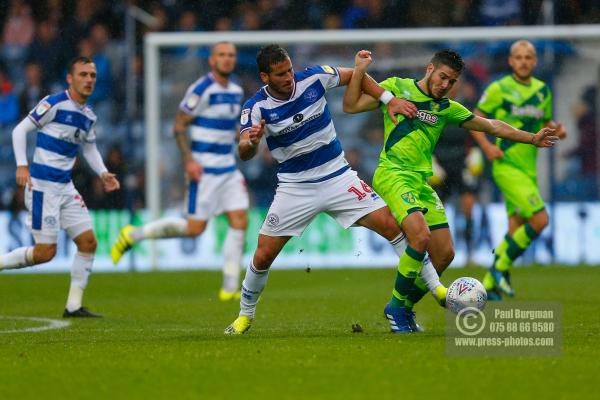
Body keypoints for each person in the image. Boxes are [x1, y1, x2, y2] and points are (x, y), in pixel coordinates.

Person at [224, 44, 445, 335]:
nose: (289, 77)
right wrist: (252, 142)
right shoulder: (255, 108)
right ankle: (244, 316)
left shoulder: (313, 78)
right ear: (265, 77)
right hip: (295, 187)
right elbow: (244, 151)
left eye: (289, 69)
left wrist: (388, 99)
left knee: (393, 226)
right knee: (263, 255)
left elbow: (356, 76)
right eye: (280, 74)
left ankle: (438, 288)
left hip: (338, 176)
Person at [343, 49, 557, 326]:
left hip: (421, 181)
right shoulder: (397, 88)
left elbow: (491, 126)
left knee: (444, 254)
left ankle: (404, 305)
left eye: (452, 81)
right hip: (393, 174)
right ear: (429, 69)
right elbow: (351, 105)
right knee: (419, 237)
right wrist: (359, 69)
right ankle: (397, 308)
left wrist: (532, 138)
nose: (445, 85)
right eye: (443, 77)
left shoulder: (447, 108)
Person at [110, 42, 249, 301]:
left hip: (229, 169)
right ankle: (135, 234)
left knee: (240, 220)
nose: (227, 59)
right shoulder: (200, 89)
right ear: (212, 60)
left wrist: (244, 137)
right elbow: (178, 126)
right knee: (195, 228)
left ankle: (230, 287)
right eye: (222, 55)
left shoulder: (236, 90)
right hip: (204, 170)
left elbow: (229, 129)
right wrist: (189, 161)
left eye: (231, 55)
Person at [0, 56, 120, 318]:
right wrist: (22, 165)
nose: (89, 80)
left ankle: (73, 306)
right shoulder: (54, 103)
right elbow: (19, 131)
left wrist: (102, 173)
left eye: (92, 75)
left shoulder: (88, 115)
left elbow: (89, 148)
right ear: (70, 78)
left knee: (88, 242)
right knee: (45, 253)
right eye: (83, 74)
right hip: (43, 187)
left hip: (66, 188)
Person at [470, 40, 567, 299]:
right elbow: (473, 119)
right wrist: (486, 148)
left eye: (528, 57)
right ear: (511, 61)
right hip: (506, 164)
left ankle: (490, 283)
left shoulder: (542, 90)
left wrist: (557, 128)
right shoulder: (499, 88)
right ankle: (500, 268)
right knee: (540, 219)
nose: (524, 61)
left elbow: (544, 121)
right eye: (519, 57)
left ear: (534, 62)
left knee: (516, 225)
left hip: (529, 168)